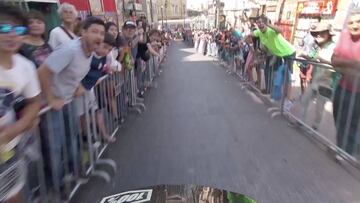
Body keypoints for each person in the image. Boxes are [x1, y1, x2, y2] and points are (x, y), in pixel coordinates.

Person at [37, 17, 105, 195]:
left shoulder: (90, 53)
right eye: (94, 31)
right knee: (55, 146)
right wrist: (51, 99)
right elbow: (42, 72)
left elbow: (75, 75)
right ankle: (57, 187)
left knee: (72, 138)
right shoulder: (70, 50)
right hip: (51, 106)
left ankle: (74, 173)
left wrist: (76, 89)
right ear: (83, 32)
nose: (99, 36)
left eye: (101, 33)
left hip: (67, 101)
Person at [0, 3, 41, 202]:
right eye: (4, 28)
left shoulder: (26, 67)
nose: (12, 34)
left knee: (12, 194)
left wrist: (17, 128)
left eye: (18, 29)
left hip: (7, 149)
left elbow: (34, 102)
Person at [76, 33, 117, 143]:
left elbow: (100, 70)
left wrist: (106, 70)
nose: (105, 51)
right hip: (80, 90)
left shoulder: (103, 58)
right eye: (104, 47)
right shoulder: (87, 56)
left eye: (109, 50)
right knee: (82, 115)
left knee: (96, 111)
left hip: (90, 90)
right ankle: (85, 137)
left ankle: (103, 135)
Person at [331, 8, 360, 156]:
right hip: (343, 87)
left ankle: (345, 152)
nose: (354, 25)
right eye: (351, 23)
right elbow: (334, 61)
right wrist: (353, 64)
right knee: (338, 118)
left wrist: (344, 64)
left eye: (358, 22)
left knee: (354, 123)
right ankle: (343, 148)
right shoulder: (344, 35)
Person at [250, 15, 296, 106]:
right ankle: (277, 97)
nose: (260, 24)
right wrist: (243, 40)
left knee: (287, 77)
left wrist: (268, 24)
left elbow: (280, 30)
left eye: (262, 22)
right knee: (278, 76)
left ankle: (289, 100)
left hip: (289, 53)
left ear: (266, 23)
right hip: (279, 55)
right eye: (258, 22)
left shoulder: (271, 31)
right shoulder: (258, 32)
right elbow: (250, 34)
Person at [298, 22, 336, 130]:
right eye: (318, 33)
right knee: (305, 100)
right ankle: (300, 122)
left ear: (328, 34)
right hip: (316, 80)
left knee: (319, 108)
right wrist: (305, 55)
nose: (319, 35)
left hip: (326, 82)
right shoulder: (320, 47)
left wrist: (321, 59)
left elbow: (334, 63)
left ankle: (315, 128)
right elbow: (313, 58)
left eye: (322, 32)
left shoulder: (333, 47)